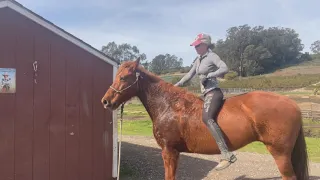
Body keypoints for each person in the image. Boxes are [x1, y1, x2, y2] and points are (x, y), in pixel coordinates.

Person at [174, 33, 237, 171]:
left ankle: (227, 154)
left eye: (198, 45)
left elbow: (224, 68)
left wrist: (210, 75)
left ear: (205, 44)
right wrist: (176, 85)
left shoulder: (212, 56)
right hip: (205, 94)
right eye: (195, 46)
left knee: (207, 118)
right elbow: (189, 75)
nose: (195, 48)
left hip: (214, 92)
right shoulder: (198, 59)